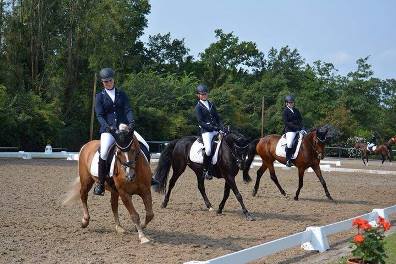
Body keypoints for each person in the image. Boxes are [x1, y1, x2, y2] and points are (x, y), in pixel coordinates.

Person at [94, 67, 158, 195]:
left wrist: (131, 121)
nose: (108, 83)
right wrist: (108, 127)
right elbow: (99, 115)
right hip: (108, 130)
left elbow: (128, 109)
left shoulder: (121, 94)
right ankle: (101, 183)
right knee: (104, 152)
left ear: (113, 80)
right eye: (105, 81)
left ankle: (148, 176)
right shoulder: (99, 97)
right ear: (103, 82)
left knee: (145, 144)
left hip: (123, 127)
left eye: (110, 80)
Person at [194, 84, 223, 180]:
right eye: (202, 94)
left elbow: (217, 117)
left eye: (205, 94)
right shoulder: (198, 107)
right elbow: (200, 122)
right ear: (198, 95)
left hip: (215, 129)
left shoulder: (211, 104)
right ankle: (206, 170)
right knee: (209, 150)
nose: (204, 95)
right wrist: (211, 128)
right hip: (206, 131)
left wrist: (220, 127)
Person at [282, 95, 305, 167]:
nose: (291, 104)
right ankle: (288, 160)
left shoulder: (296, 110)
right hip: (290, 131)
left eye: (292, 102)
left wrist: (302, 128)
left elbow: (300, 120)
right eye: (290, 103)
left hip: (299, 129)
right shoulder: (285, 111)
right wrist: (296, 129)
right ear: (286, 103)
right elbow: (287, 123)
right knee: (289, 143)